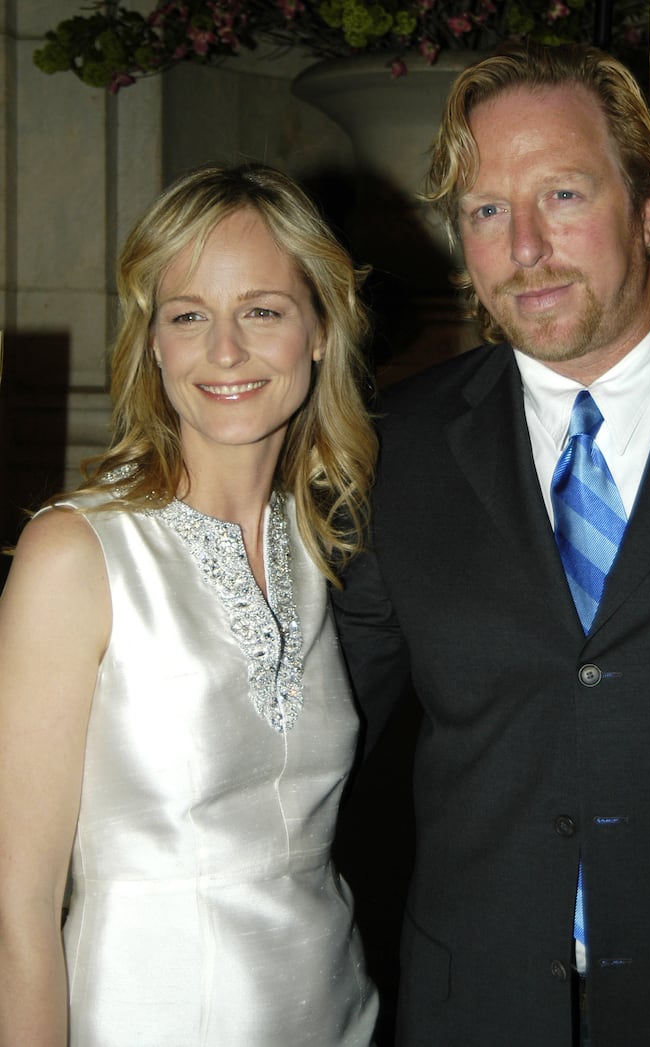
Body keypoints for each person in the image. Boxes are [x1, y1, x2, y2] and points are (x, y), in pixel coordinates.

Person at [332, 41, 650, 1047]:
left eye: (563, 195)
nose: (525, 248)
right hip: (472, 1015)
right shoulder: (392, 447)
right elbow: (318, 742)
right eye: (486, 211)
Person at [0, 162, 379, 1046]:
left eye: (262, 310)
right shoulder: (78, 553)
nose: (225, 350)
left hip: (338, 1012)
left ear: (320, 330)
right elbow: (14, 912)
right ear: (155, 343)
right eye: (188, 316)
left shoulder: (324, 541)